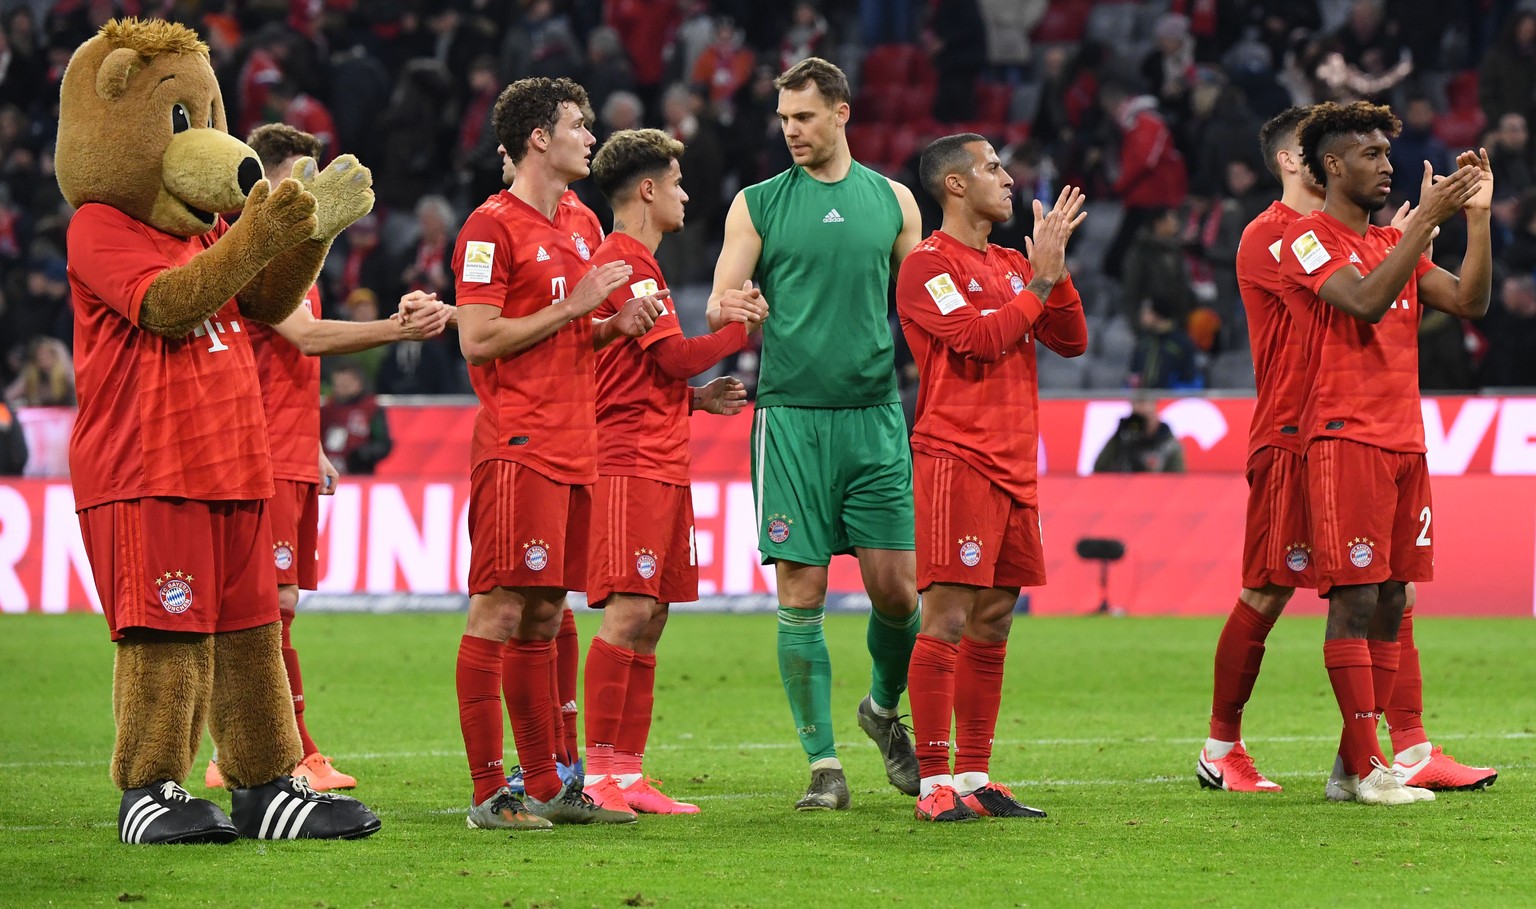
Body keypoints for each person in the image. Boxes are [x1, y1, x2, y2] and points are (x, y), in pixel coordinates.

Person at [1199, 105, 1498, 797]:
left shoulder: (1386, 240)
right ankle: (1233, 744)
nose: (1386, 164)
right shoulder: (1288, 239)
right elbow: (1362, 300)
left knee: (1394, 591)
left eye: (1386, 153)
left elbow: (1467, 301)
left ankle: (1379, 753)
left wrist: (1473, 218)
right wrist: (1420, 223)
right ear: (1315, 164)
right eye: (1369, 154)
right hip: (1304, 432)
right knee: (1293, 588)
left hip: (1400, 439)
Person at [201, 123, 454, 793]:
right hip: (257, 454)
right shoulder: (253, 252)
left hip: (287, 451)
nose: (319, 194)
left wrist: (310, 441)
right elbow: (306, 337)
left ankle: (238, 749)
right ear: (270, 179)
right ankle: (293, 751)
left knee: (275, 603)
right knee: (271, 603)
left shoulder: (295, 257)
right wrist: (396, 329)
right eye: (307, 178)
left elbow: (279, 362)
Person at [706, 56, 924, 810]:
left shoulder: (893, 202)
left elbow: (922, 305)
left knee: (897, 592)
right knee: (801, 590)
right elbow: (716, 303)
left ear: (841, 113)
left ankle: (881, 708)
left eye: (803, 116)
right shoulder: (758, 203)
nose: (790, 130)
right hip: (790, 417)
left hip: (875, 415)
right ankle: (823, 764)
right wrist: (738, 307)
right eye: (783, 119)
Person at [451, 76, 663, 830]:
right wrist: (575, 306)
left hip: (578, 447)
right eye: (579, 124)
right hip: (519, 445)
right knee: (500, 608)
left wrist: (612, 324)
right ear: (539, 138)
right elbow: (477, 338)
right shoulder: (489, 227)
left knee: (545, 614)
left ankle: (545, 783)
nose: (590, 135)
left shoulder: (577, 219)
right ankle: (488, 792)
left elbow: (567, 334)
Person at [897, 134, 1087, 822]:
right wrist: (1038, 283)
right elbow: (978, 340)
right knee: (946, 615)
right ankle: (932, 782)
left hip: (1014, 462)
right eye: (994, 168)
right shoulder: (926, 266)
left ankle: (975, 775)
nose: (1009, 178)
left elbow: (1071, 339)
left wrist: (1053, 272)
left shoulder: (1012, 261)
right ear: (954, 184)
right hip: (957, 457)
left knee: (997, 618)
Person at [579, 127, 754, 816]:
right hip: (627, 462)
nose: (686, 194)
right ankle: (598, 774)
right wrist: (740, 329)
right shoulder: (625, 260)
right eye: (677, 184)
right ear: (648, 190)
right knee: (628, 613)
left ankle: (628, 771)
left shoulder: (638, 263)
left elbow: (645, 373)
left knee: (651, 617)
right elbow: (676, 355)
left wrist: (695, 401)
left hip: (662, 455)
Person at [319, 362, 393, 475]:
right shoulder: (325, 411)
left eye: (346, 384)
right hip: (328, 472)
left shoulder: (370, 409)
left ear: (358, 383)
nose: (341, 389)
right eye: (338, 385)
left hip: (358, 474)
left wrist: (363, 454)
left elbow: (383, 444)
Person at [1092, 395, 1187, 473]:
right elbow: (1099, 468)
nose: (1141, 424)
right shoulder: (1125, 439)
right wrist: (1117, 436)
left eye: (1144, 418)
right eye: (1137, 418)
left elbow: (1178, 478)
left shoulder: (1168, 444)